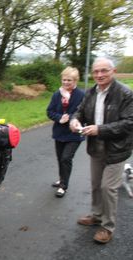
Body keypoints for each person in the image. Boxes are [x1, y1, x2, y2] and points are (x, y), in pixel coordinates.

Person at [70, 57, 133, 244]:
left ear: (113, 71)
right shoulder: (91, 92)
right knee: (96, 185)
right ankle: (96, 216)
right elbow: (79, 111)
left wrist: (100, 129)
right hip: (95, 146)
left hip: (117, 149)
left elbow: (129, 123)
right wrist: (75, 120)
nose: (99, 75)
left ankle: (107, 227)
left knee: (108, 188)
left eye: (104, 70)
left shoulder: (125, 94)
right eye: (96, 71)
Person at [46, 66, 85, 198]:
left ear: (75, 81)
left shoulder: (81, 95)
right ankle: (62, 179)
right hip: (59, 132)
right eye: (64, 80)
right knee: (60, 158)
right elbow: (49, 111)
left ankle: (63, 186)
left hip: (74, 133)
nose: (66, 82)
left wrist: (74, 119)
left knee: (66, 158)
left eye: (69, 80)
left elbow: (84, 112)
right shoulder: (57, 94)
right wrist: (59, 118)